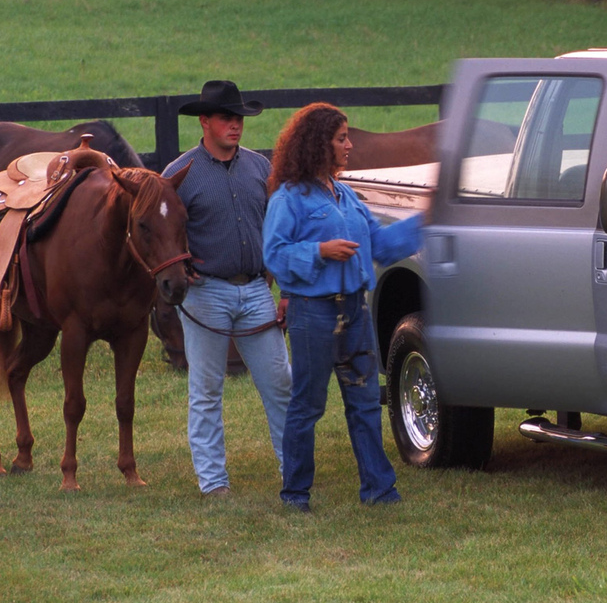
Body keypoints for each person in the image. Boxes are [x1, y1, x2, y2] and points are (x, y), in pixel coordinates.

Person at [263, 103, 424, 511]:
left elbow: (383, 246)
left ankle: (379, 490)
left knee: (366, 402)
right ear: (320, 144)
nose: (349, 145)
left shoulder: (347, 196)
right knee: (308, 405)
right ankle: (295, 494)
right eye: (341, 138)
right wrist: (320, 251)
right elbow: (275, 256)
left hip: (355, 311)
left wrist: (428, 219)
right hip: (312, 315)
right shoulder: (289, 199)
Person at [162, 79, 292, 496]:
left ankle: (295, 470)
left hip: (256, 290)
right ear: (204, 122)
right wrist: (181, 265)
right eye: (225, 118)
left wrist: (284, 288)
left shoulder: (260, 168)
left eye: (238, 118)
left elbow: (279, 228)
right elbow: (160, 230)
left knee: (280, 383)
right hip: (206, 293)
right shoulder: (179, 175)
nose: (235, 126)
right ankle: (213, 482)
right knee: (205, 389)